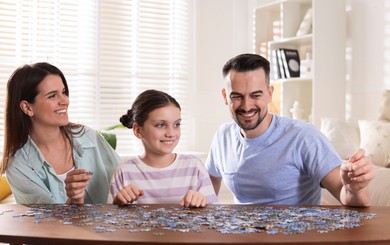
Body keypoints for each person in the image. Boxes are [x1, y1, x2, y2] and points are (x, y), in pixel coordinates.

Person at [206, 53, 375, 208]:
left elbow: (347, 195)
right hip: (243, 236)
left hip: (294, 238)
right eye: (237, 96)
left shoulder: (304, 137)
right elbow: (207, 189)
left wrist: (354, 189)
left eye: (256, 95)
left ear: (269, 94)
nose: (247, 105)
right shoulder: (223, 136)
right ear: (225, 97)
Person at [0, 62, 122, 245]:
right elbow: (49, 223)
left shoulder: (89, 138)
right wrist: (73, 200)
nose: (64, 100)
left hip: (109, 241)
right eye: (52, 96)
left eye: (64, 92)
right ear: (27, 107)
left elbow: (127, 179)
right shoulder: (18, 164)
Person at [109, 89, 218, 207]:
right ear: (138, 130)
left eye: (176, 124)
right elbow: (109, 222)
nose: (171, 133)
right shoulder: (123, 173)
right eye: (160, 125)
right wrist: (118, 204)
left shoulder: (194, 167)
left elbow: (214, 218)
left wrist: (202, 202)